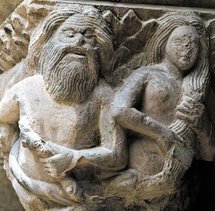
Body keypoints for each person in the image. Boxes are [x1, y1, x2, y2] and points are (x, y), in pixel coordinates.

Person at [0, 5, 127, 210]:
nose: (79, 42)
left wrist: (75, 158)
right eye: (69, 34)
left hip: (78, 196)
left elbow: (118, 156)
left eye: (88, 36)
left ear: (99, 49)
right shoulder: (27, 88)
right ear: (48, 44)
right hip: (26, 184)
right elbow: (2, 117)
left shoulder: (103, 97)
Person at [108, 14, 214, 206]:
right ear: (164, 42)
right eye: (180, 41)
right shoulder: (147, 74)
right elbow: (119, 110)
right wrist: (161, 133)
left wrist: (203, 125)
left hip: (177, 187)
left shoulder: (197, 90)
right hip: (138, 175)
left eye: (194, 45)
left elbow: (209, 154)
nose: (187, 48)